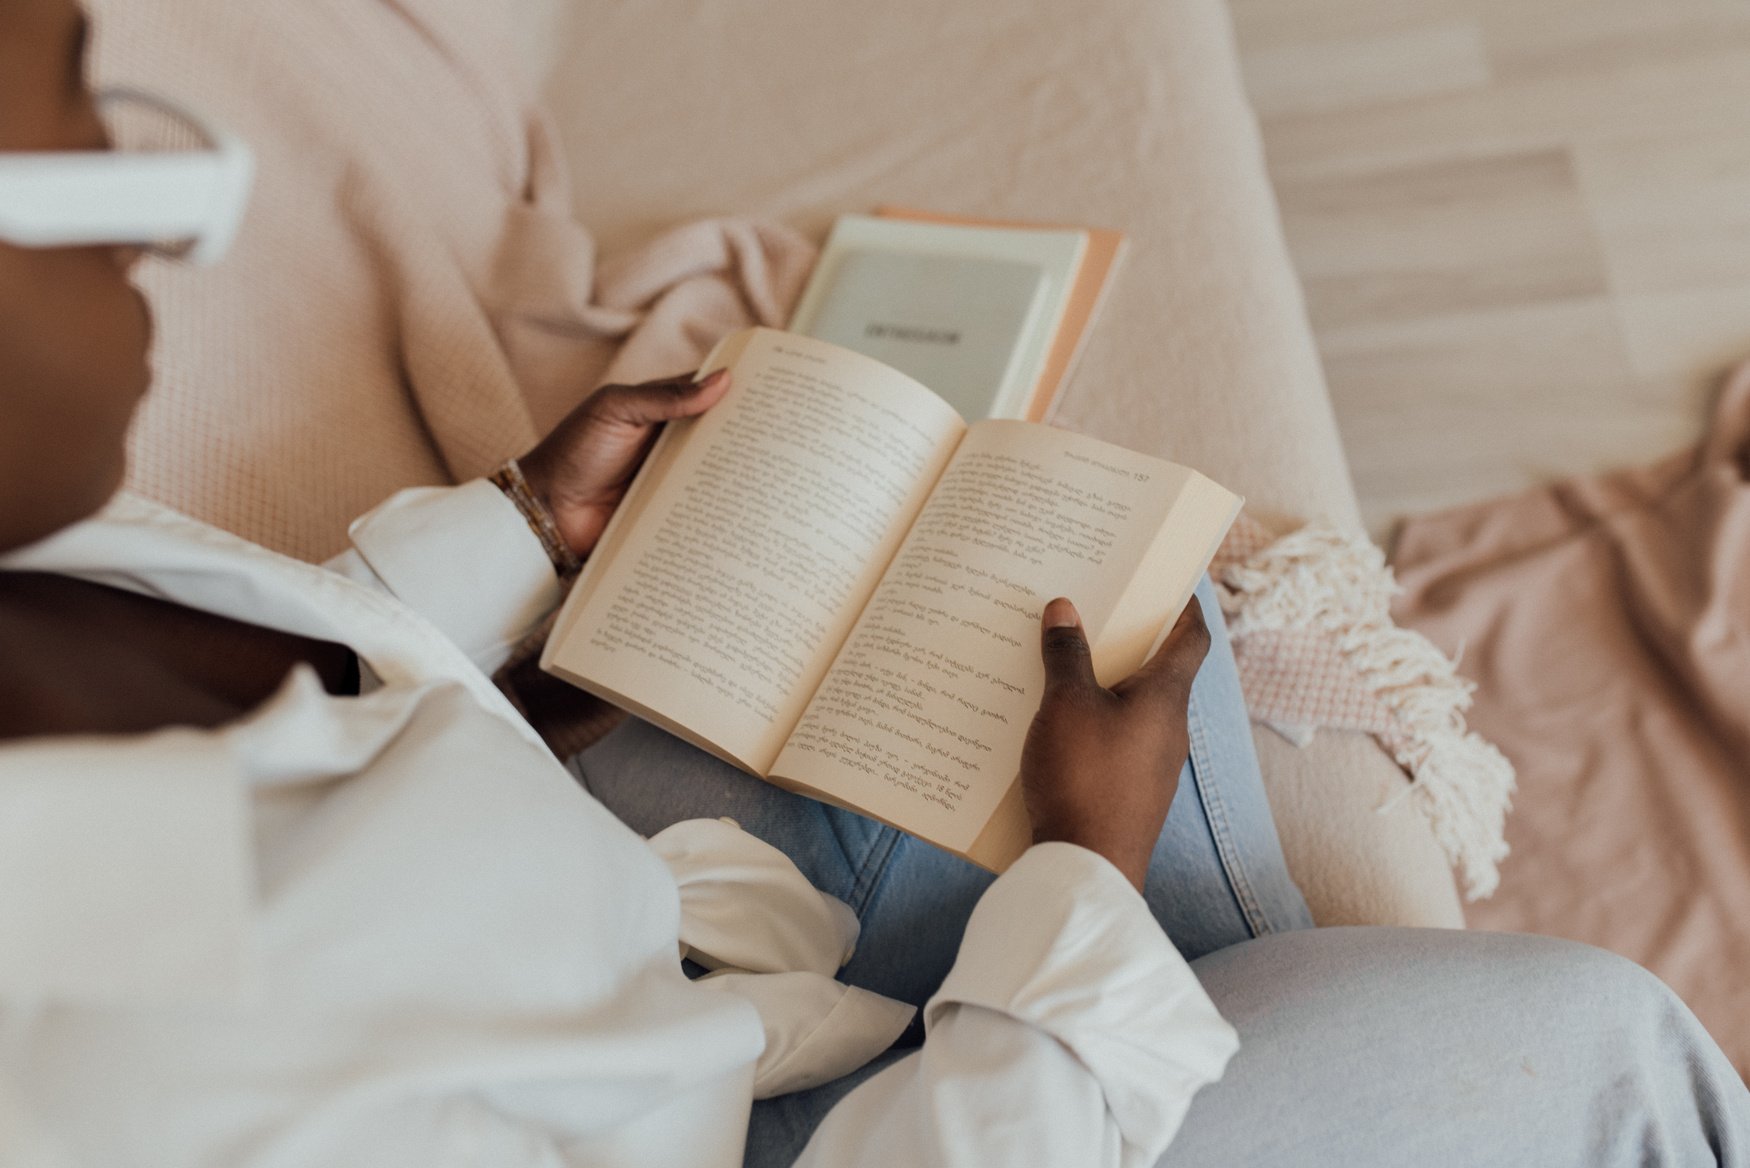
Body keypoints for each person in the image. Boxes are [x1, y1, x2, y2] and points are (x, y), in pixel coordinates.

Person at [1, 1, 1745, 1164]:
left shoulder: (43, 596)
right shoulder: (123, 1070)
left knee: (1061, 614)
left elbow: (284, 777)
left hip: (616, 913)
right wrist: (1085, 872)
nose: (160, 231)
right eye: (101, 138)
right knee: (1588, 1046)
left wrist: (517, 539)